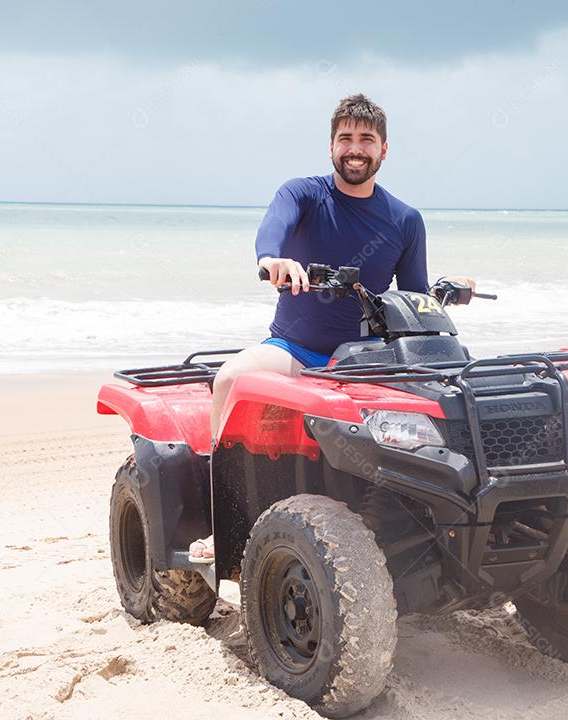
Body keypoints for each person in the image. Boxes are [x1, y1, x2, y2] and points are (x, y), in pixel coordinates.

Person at [189, 93, 475, 563]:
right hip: (297, 349)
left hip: (367, 363)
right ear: (331, 147)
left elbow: (412, 296)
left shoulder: (405, 220)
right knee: (228, 379)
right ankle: (218, 527)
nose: (355, 148)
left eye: (366, 139)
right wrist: (272, 259)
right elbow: (272, 230)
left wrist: (449, 290)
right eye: (346, 138)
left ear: (384, 150)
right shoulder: (302, 194)